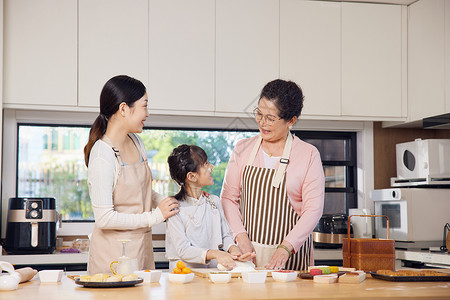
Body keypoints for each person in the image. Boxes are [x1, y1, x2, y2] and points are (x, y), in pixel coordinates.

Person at [221, 79, 325, 271]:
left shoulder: (308, 155)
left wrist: (286, 247)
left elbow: (313, 210)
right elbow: (228, 198)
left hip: (289, 261)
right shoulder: (242, 149)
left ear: (291, 120)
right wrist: (241, 237)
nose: (262, 123)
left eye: (270, 118)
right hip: (247, 257)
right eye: (259, 114)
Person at [84, 75, 179, 274]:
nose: (148, 113)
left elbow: (141, 191)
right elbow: (104, 218)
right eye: (144, 106)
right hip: (111, 258)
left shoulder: (136, 141)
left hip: (141, 249)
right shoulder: (103, 155)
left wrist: (171, 202)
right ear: (124, 109)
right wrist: (155, 216)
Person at [165, 144, 255, 270]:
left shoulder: (213, 201)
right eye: (206, 164)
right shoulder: (174, 208)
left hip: (212, 272)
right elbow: (183, 250)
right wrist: (216, 254)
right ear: (191, 176)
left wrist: (234, 250)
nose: (211, 167)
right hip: (184, 274)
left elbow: (225, 235)